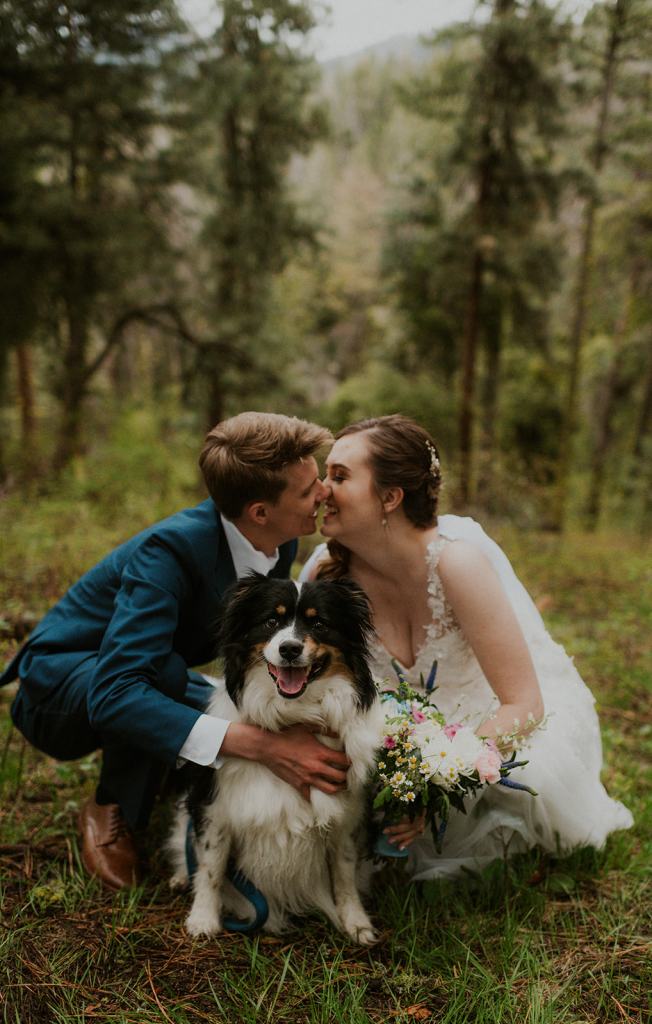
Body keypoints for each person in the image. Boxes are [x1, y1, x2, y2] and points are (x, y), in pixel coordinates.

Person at [1, 412, 352, 890]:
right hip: (57, 691)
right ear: (259, 511)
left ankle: (172, 757)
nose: (323, 493)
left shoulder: (278, 540)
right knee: (159, 678)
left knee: (200, 693)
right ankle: (111, 805)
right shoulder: (168, 552)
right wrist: (262, 745)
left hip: (138, 669)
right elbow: (117, 692)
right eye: (309, 488)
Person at [300, 414, 633, 879]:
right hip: (384, 742)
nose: (320, 488)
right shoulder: (324, 575)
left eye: (339, 476)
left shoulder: (456, 564)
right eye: (324, 473)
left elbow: (524, 703)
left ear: (390, 497)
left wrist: (433, 780)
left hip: (485, 732)